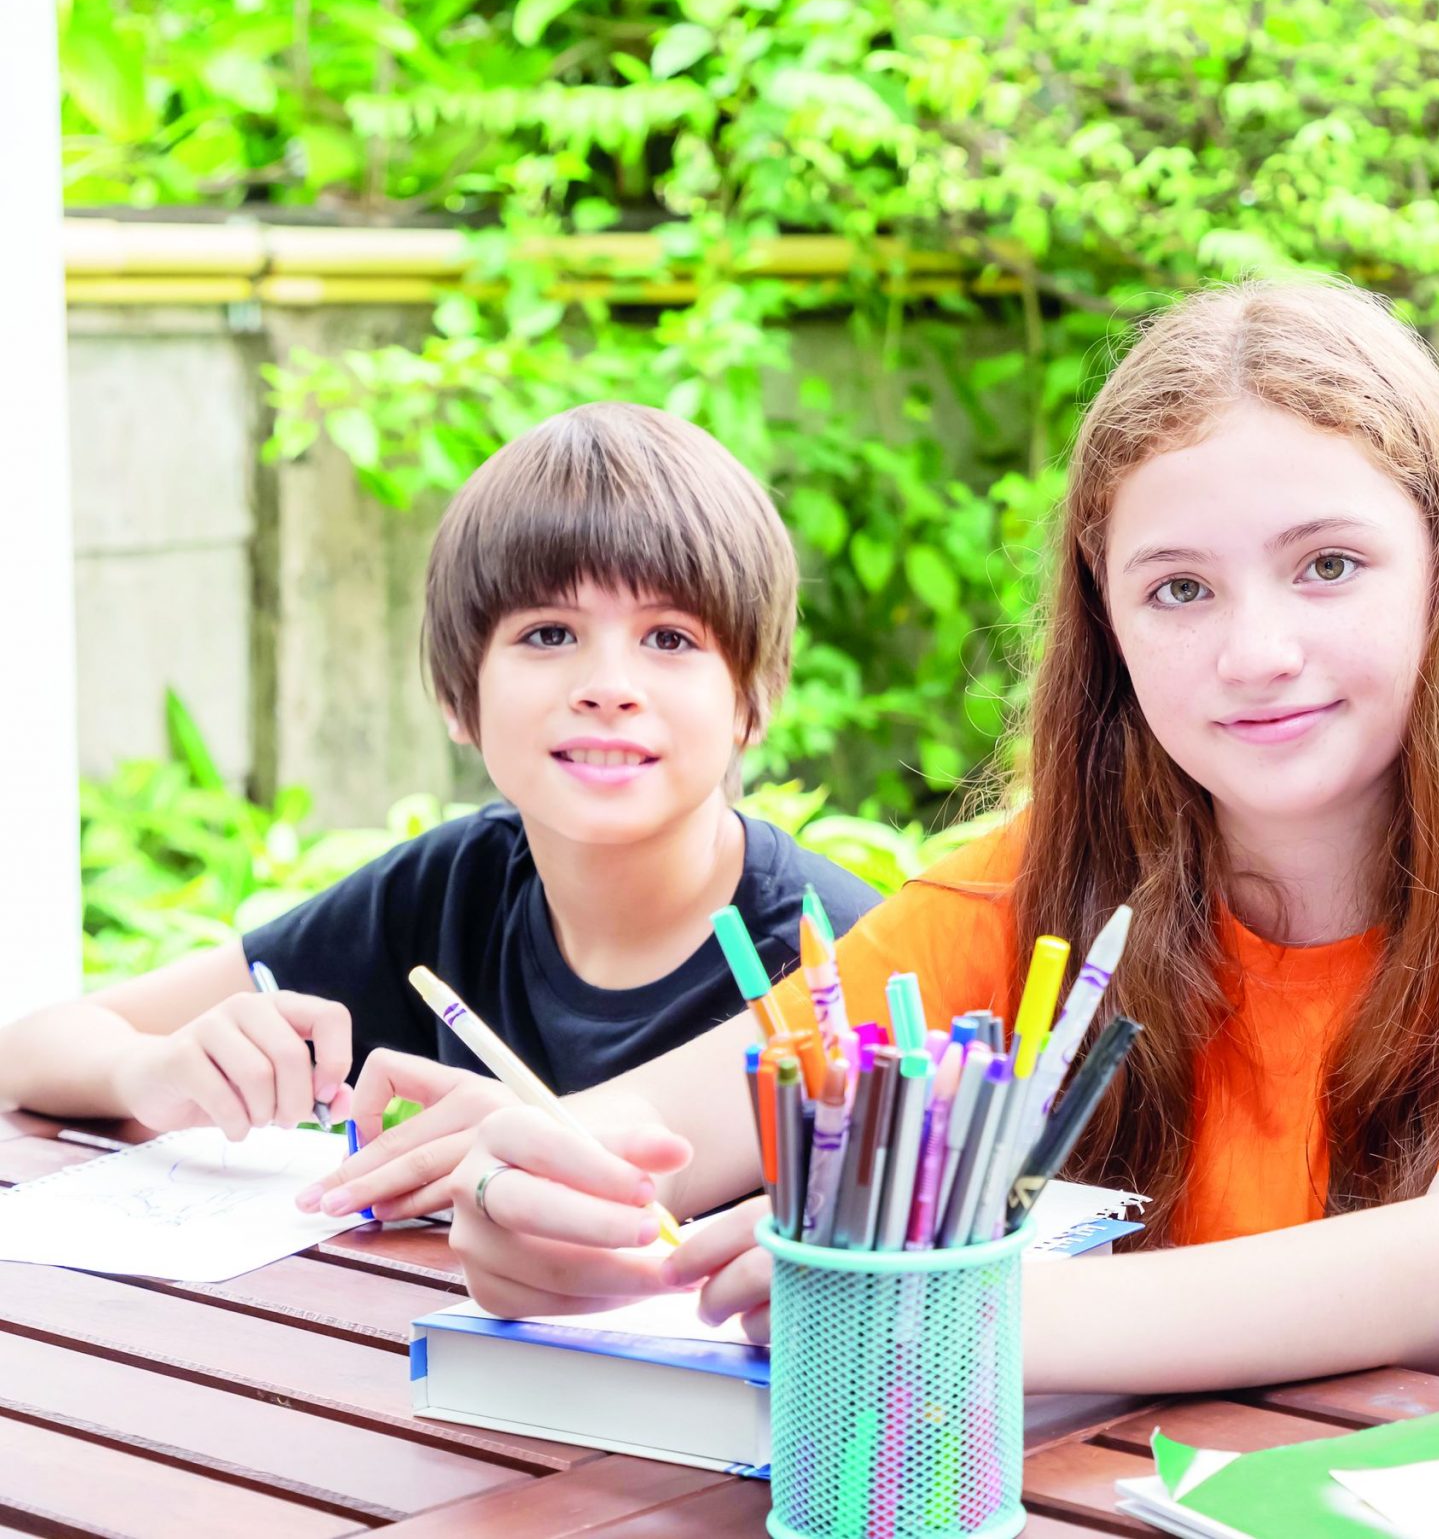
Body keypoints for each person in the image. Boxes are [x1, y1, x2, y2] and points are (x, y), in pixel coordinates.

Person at [429, 281, 1439, 1393]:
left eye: (1329, 565)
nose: (1256, 654)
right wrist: (527, 1205)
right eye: (1178, 588)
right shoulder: (1036, 887)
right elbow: (642, 1139)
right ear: (1109, 619)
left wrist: (949, 1314)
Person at [0, 403, 878, 1222]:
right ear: (461, 697)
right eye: (549, 633)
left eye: (670, 639)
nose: (608, 687)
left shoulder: (839, 951)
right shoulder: (453, 888)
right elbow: (29, 1050)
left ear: (751, 700)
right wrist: (150, 1069)